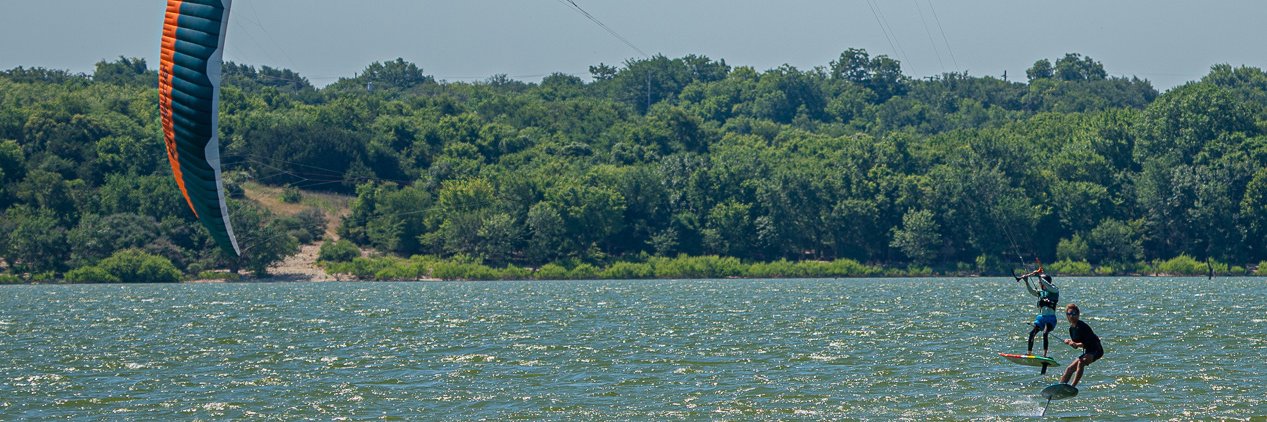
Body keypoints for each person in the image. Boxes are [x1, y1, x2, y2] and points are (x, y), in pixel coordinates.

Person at [1017, 268, 1059, 356]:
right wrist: (1027, 282)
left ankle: (1045, 354)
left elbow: (1048, 286)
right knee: (1032, 333)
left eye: (1041, 283)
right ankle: (1029, 353)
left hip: (1050, 319)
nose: (1040, 284)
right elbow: (1032, 292)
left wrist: (1039, 277)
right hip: (1041, 318)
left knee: (1045, 333)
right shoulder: (1041, 292)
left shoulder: (1054, 290)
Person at [1060, 303, 1104, 387]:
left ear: (1078, 315)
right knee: (1069, 369)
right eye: (1069, 314)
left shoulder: (1082, 326)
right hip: (1088, 351)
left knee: (1081, 362)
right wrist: (1070, 342)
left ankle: (1073, 386)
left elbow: (1087, 343)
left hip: (1096, 350)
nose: (1071, 316)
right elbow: (1077, 345)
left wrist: (1075, 344)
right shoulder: (1071, 329)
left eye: (1073, 314)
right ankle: (1060, 387)